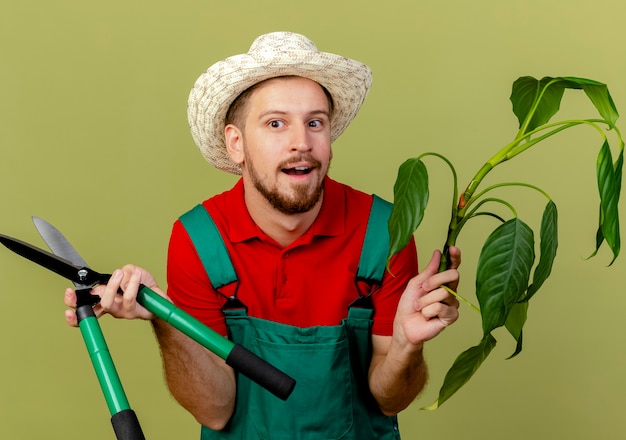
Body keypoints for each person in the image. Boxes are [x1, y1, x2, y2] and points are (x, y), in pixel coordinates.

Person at [64, 32, 461, 439]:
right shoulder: (199, 239)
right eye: (276, 123)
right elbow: (215, 411)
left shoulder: (385, 233)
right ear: (236, 143)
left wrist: (406, 347)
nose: (301, 143)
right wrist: (168, 321)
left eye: (315, 123)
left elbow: (389, 400)